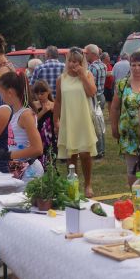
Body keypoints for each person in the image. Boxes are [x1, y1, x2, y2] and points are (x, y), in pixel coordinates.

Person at [109, 50, 140, 198]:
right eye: (133, 65)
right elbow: (115, 107)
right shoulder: (123, 84)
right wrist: (114, 127)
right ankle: (137, 200)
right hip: (128, 135)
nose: (136, 68)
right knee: (132, 170)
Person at [54, 48, 98, 197]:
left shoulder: (87, 75)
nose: (73, 64)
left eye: (76, 62)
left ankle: (88, 184)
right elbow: (58, 101)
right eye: (71, 61)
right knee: (71, 155)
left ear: (81, 63)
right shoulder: (61, 79)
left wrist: (82, 76)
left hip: (83, 119)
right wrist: (56, 120)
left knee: (85, 154)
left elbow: (92, 92)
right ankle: (73, 184)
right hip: (68, 120)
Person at [0, 72, 45, 180]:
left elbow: (37, 149)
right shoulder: (13, 112)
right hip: (18, 169)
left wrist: (8, 155)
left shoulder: (25, 115)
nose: (0, 97)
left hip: (29, 172)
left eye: (1, 93)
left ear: (10, 92)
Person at [85, 44, 108, 159]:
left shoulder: (92, 68)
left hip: (94, 98)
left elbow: (89, 86)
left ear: (93, 54)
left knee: (95, 126)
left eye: (87, 53)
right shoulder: (103, 65)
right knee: (100, 124)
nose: (85, 55)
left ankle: (99, 150)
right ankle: (101, 149)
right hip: (101, 95)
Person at [32, 80, 56, 167]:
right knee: (39, 156)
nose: (39, 96)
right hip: (38, 133)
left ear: (48, 92)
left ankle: (51, 170)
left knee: (50, 154)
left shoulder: (53, 104)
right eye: (37, 94)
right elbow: (33, 121)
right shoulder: (34, 105)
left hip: (50, 134)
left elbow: (57, 121)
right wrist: (43, 111)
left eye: (42, 94)